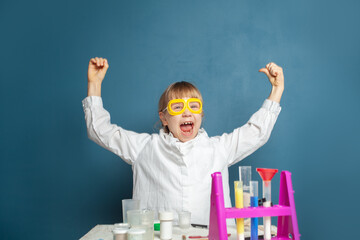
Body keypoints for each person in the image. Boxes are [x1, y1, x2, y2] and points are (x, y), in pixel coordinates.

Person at [82, 57, 284, 225]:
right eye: (178, 107)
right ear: (164, 118)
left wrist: (276, 90)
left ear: (201, 114)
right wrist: (95, 83)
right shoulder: (143, 148)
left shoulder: (219, 148)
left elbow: (257, 132)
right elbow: (99, 130)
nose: (187, 112)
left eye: (194, 106)